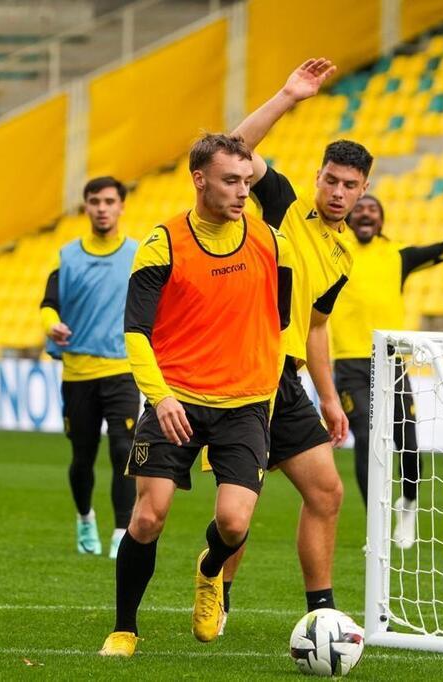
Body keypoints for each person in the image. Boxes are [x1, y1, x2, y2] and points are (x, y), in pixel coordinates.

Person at [98, 133, 294, 657]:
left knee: (234, 522)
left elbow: (283, 319)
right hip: (175, 399)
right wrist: (160, 397)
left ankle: (209, 571)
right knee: (147, 517)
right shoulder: (163, 243)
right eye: (231, 181)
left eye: (247, 181)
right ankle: (125, 628)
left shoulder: (270, 241)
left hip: (246, 404)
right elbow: (136, 331)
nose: (242, 192)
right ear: (199, 180)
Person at [220, 58, 365, 627]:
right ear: (318, 178)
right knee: (240, 508)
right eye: (330, 179)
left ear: (363, 190)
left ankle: (321, 614)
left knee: (326, 493)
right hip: (246, 371)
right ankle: (220, 591)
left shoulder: (342, 253)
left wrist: (329, 398)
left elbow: (317, 325)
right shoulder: (284, 206)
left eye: (349, 185)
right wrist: (288, 95)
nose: (337, 191)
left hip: (288, 377)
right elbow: (230, 149)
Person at [331, 186, 443, 549]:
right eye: (360, 207)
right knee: (365, 438)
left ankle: (407, 504)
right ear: (348, 215)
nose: (366, 213)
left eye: (373, 209)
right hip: (350, 363)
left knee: (407, 443)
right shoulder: (333, 250)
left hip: (393, 363)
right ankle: (376, 525)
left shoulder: (398, 255)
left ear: (381, 220)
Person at [40, 176, 139, 559]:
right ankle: (85, 517)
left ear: (121, 206)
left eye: (109, 201)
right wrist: (51, 323)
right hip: (78, 373)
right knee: (82, 456)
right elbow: (48, 302)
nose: (102, 208)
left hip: (122, 370)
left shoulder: (137, 254)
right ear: (86, 207)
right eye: (95, 201)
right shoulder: (67, 257)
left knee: (122, 449)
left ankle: (120, 532)